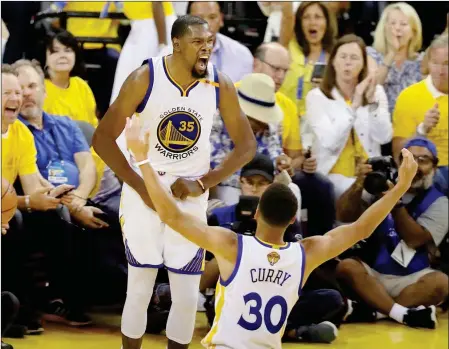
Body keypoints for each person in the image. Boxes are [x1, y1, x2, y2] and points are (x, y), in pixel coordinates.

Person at [124, 112, 429, 349]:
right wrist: (400, 186)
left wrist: (143, 158)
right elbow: (362, 227)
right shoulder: (305, 253)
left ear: (255, 212)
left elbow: (170, 215)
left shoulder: (231, 246)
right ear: (293, 217)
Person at [92, 15, 256, 349]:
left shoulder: (218, 83)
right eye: (198, 43)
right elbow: (102, 139)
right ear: (177, 44)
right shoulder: (144, 78)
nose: (205, 50)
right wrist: (140, 186)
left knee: (185, 294)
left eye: (209, 43)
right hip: (145, 187)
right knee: (140, 287)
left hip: (189, 196)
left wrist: (204, 182)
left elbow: (247, 146)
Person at [336, 137, 448, 328]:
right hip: (373, 274)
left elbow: (414, 239)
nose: (416, 166)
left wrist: (394, 201)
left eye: (424, 160)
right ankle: (403, 314)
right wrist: (358, 184)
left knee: (441, 282)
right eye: (411, 159)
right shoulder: (378, 185)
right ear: (399, 164)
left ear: (435, 168)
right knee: (347, 267)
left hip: (413, 278)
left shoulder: (440, 202)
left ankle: (375, 311)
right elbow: (343, 214)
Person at [304, 34, 392, 198]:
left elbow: (384, 137)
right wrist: (354, 106)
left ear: (363, 64)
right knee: (354, 192)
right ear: (333, 62)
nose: (348, 62)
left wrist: (372, 103)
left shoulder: (376, 92)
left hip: (370, 174)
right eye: (343, 56)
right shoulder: (316, 97)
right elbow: (329, 141)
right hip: (332, 174)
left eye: (354, 58)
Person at [392, 34, 448, 195]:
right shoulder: (409, 96)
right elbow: (398, 153)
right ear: (428, 63)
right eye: (435, 63)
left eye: (447, 64)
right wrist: (422, 130)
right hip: (427, 170)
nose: (440, 71)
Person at [160, 1, 254, 82]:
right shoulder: (166, 57)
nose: (206, 24)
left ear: (221, 19)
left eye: (212, 17)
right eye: (198, 18)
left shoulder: (242, 55)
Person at [367, 2, 424, 115]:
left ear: (413, 31)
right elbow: (372, 88)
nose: (397, 28)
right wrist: (392, 52)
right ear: (384, 28)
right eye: (392, 23)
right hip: (379, 122)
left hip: (411, 124)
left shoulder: (421, 61)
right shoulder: (371, 54)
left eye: (403, 24)